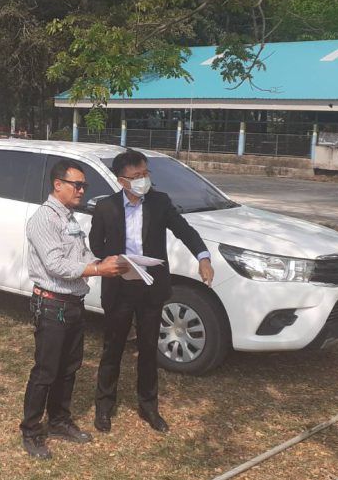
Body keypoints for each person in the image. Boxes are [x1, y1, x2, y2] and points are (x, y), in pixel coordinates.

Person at [89, 149, 214, 435]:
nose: (143, 180)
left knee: (148, 349)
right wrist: (115, 259)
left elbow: (184, 230)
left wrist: (203, 257)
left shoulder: (159, 202)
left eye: (145, 173)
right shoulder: (106, 207)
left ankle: (148, 406)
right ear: (122, 181)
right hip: (119, 286)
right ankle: (104, 405)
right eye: (136, 176)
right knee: (113, 348)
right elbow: (96, 245)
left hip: (150, 288)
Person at [20, 159, 125, 460]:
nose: (82, 190)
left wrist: (104, 262)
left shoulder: (69, 218)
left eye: (84, 186)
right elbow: (56, 265)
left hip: (73, 304)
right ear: (58, 185)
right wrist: (98, 269)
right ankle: (31, 430)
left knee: (68, 368)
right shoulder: (44, 219)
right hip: (52, 305)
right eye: (77, 185)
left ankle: (59, 421)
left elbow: (80, 254)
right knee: (46, 371)